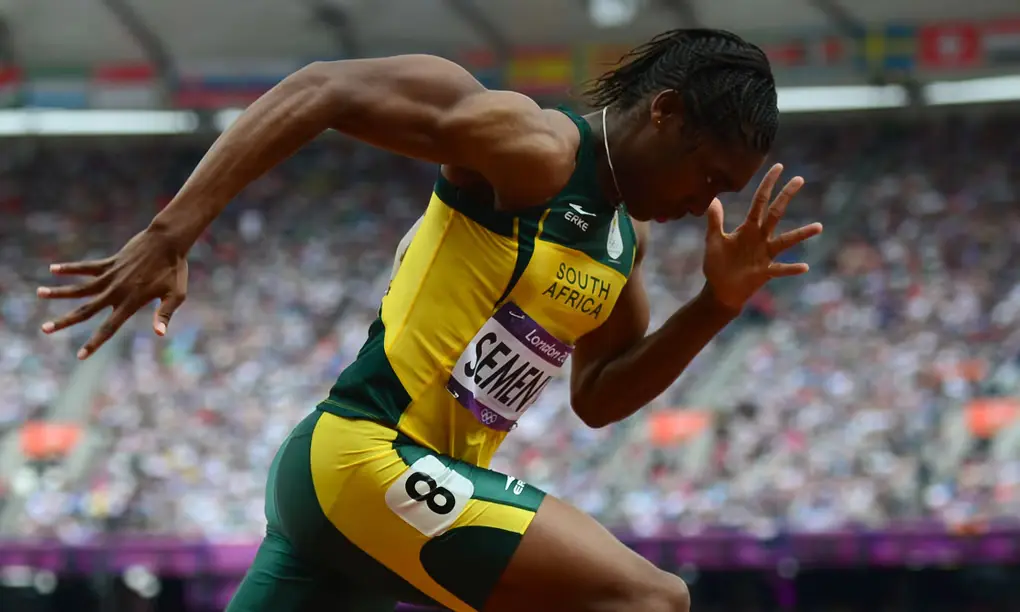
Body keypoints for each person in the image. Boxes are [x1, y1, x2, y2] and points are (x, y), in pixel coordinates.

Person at [38, 28, 822, 612]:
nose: (702, 204)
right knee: (652, 601)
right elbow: (322, 89)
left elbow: (600, 396)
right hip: (365, 457)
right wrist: (173, 234)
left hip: (384, 501)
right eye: (708, 175)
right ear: (666, 112)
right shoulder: (538, 150)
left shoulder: (624, 243)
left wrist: (716, 306)